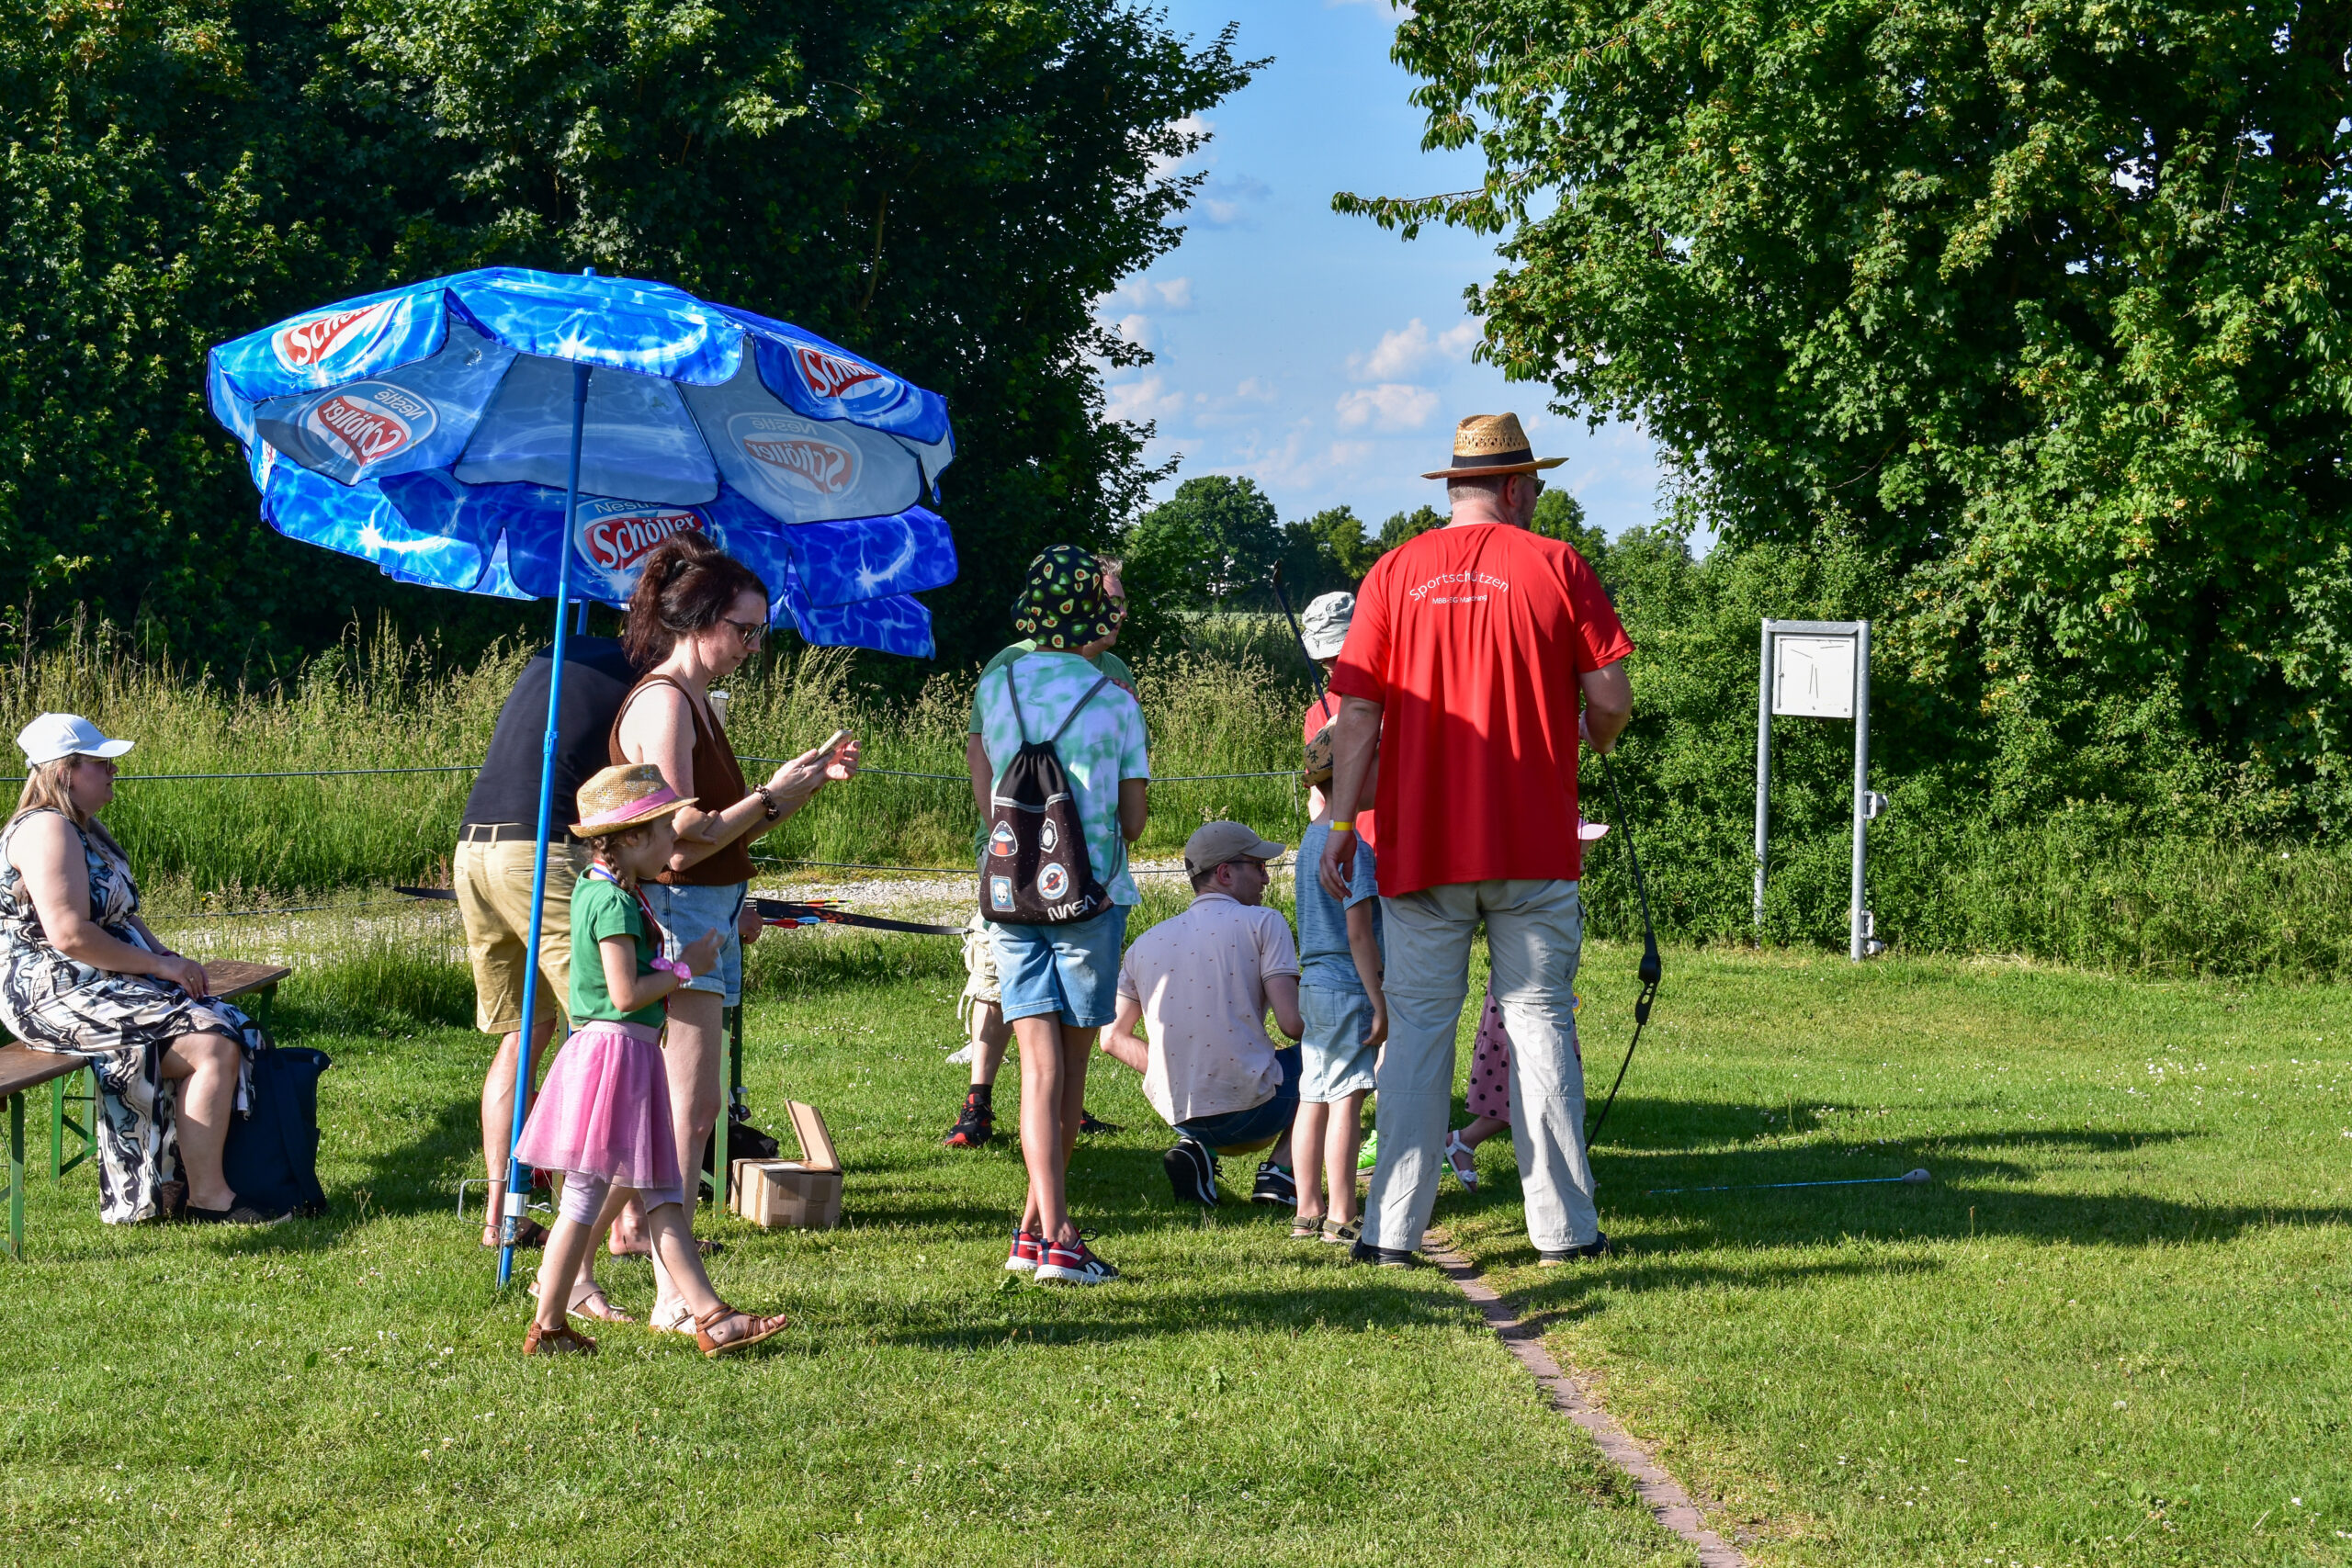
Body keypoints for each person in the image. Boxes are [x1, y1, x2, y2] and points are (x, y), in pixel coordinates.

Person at [1318, 412, 1634, 1269]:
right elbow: (1610, 699)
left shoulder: (1393, 573)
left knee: (1419, 1035)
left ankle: (1390, 1232)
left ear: (1455, 486)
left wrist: (1343, 823)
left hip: (1421, 848)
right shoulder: (1558, 565)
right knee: (1540, 1027)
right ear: (1517, 487)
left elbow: (1357, 715)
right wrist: (1591, 739)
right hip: (1531, 845)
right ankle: (1565, 1230)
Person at [611, 531, 858, 1330]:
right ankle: (671, 1294)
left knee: (693, 1109)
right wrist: (773, 793)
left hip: (707, 913)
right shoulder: (664, 702)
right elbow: (684, 838)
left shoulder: (694, 701)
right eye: (744, 629)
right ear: (699, 620)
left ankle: (641, 1280)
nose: (753, 645)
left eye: (759, 631)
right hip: (683, 913)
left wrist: (801, 787)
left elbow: (727, 831)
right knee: (686, 1112)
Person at [516, 763, 792, 1358]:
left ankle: (705, 1317)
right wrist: (687, 967)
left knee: (657, 1191)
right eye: (666, 828)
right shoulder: (614, 901)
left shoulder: (603, 890)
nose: (675, 838)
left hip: (621, 1056)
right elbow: (624, 993)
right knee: (593, 1199)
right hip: (615, 1057)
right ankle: (556, 1323)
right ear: (633, 837)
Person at [0, 714, 282, 1225]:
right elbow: (70, 935)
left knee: (231, 1026)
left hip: (106, 980)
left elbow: (123, 914)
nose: (114, 772)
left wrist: (167, 960)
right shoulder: (45, 829)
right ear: (64, 772)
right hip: (55, 992)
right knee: (211, 1040)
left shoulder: (84, 827)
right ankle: (207, 1197)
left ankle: (189, 1182)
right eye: (101, 763)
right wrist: (157, 966)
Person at [972, 545, 1148, 1285]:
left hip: (1012, 898)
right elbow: (1132, 821)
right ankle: (1059, 1235)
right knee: (1066, 1073)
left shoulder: (996, 686)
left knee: (1035, 1070)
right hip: (1089, 893)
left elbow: (985, 796)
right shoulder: (1116, 700)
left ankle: (1030, 1230)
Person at [455, 631, 639, 1253]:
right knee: (604, 1028)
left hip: (476, 847)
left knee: (522, 1032)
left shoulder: (565, 650)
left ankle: (500, 1215)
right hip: (541, 849)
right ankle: (617, 1224)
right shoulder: (650, 675)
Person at [943, 554, 1132, 1150]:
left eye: (1122, 602)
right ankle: (981, 1099)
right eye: (1110, 601)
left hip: (1077, 867)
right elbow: (980, 757)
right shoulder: (1008, 666)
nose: (1120, 613)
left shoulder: (1113, 672)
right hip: (1020, 860)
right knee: (995, 981)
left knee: (1045, 1040)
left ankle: (1051, 1126)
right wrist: (1008, 837)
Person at [1103, 822, 1304, 1211]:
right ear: (1225, 873)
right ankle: (1281, 1171)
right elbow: (1292, 1025)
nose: (1266, 878)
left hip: (1182, 1114)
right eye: (1258, 866)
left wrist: (1175, 1070)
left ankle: (1197, 1149)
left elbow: (1112, 1038)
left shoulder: (1144, 944)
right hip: (1255, 1112)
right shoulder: (1264, 922)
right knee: (1336, 1054)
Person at [1442, 818, 1606, 1191]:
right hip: (1517, 1006)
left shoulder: (1559, 894)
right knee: (1528, 1088)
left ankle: (1468, 1144)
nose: (1583, 861)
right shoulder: (1535, 893)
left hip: (1548, 1001)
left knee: (1557, 1087)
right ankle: (1463, 1142)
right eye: (1578, 852)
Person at [1290, 730, 1385, 1242]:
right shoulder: (1353, 849)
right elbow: (1359, 932)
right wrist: (1379, 1000)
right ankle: (1343, 1214)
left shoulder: (1310, 841)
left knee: (1314, 1094)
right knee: (1348, 1096)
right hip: (1349, 984)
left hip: (1314, 983)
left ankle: (1308, 1209)